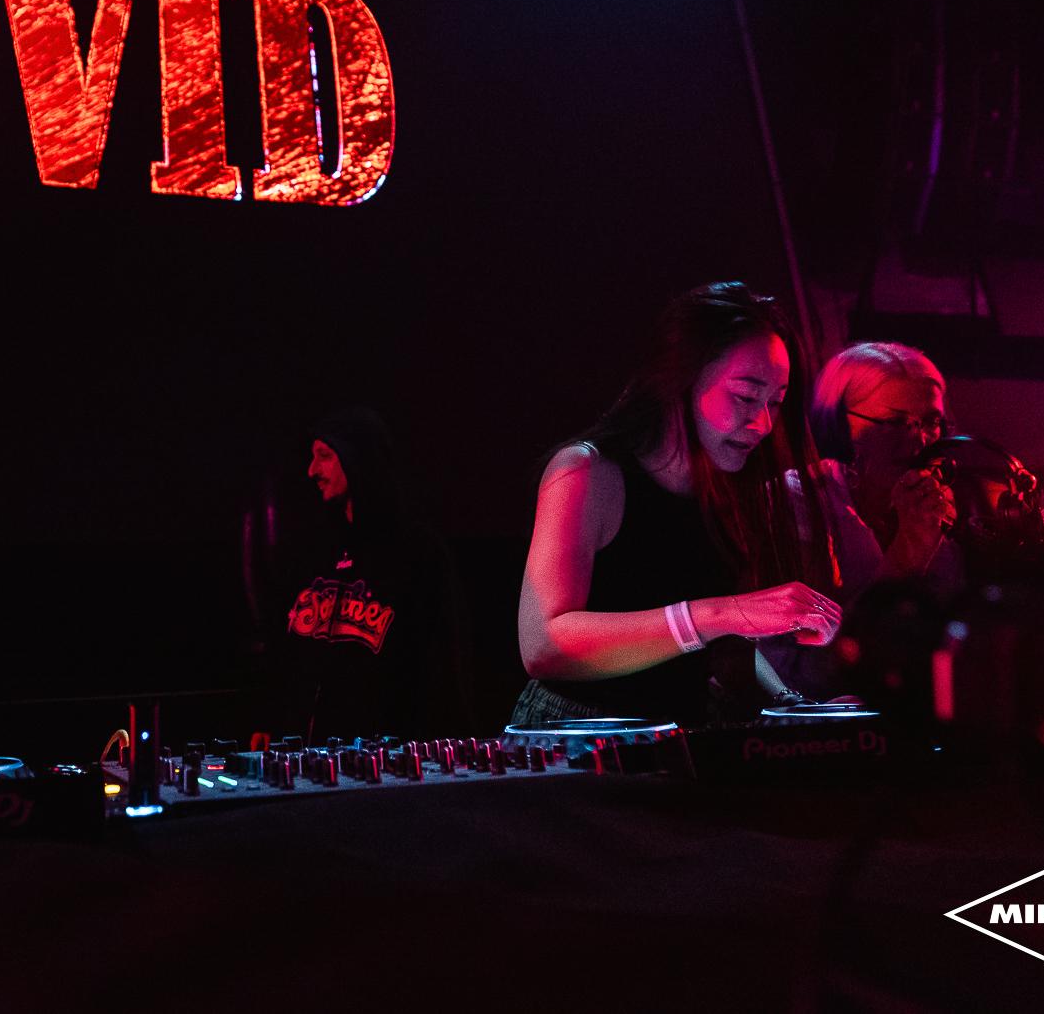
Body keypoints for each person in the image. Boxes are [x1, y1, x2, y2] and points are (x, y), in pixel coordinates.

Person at [513, 282, 839, 727]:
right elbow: (543, 646)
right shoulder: (586, 471)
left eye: (775, 403)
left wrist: (790, 705)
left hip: (679, 732)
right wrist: (721, 613)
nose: (763, 423)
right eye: (746, 396)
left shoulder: (726, 487)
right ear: (679, 381)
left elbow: (722, 646)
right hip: (573, 731)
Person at [273, 408, 471, 740]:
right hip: (310, 756)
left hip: (388, 757)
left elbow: (441, 663)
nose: (312, 470)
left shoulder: (417, 551)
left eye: (324, 456)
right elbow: (293, 660)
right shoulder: (316, 550)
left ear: (357, 458)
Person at [804, 341, 961, 596]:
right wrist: (911, 548)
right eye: (895, 422)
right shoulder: (798, 501)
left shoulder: (933, 504)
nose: (920, 441)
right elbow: (821, 621)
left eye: (931, 421)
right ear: (839, 428)